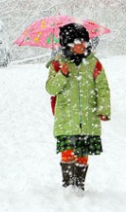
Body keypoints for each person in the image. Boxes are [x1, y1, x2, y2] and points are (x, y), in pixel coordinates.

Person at [46, 23, 111, 192]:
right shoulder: (58, 64)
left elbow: (102, 87)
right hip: (66, 118)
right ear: (67, 44)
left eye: (84, 42)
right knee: (68, 151)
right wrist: (62, 74)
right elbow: (51, 88)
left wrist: (103, 109)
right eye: (77, 42)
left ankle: (79, 185)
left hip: (87, 118)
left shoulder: (93, 63)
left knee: (82, 153)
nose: (82, 45)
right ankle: (68, 185)